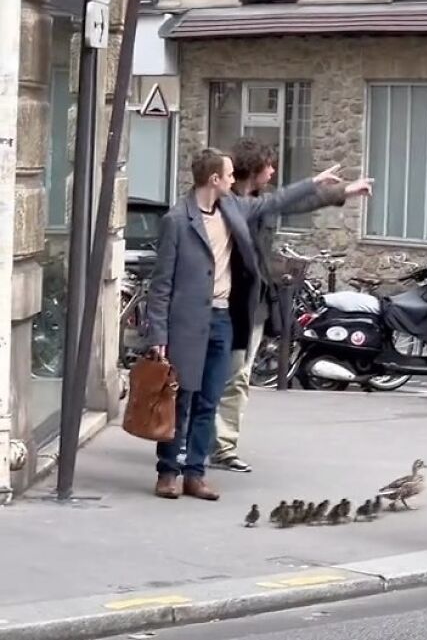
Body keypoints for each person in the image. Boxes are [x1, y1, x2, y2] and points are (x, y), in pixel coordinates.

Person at [145, 147, 372, 501]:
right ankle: (168, 472)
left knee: (209, 399)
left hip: (224, 318)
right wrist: (157, 335)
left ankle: (195, 474)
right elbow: (160, 285)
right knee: (181, 400)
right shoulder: (177, 220)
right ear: (214, 179)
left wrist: (317, 183)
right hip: (189, 322)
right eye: (229, 175)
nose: (234, 180)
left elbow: (280, 201)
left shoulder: (233, 208)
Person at [212, 137, 359, 472]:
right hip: (226, 302)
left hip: (253, 303)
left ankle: (222, 445)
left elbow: (295, 204)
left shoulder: (259, 201)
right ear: (255, 168)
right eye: (269, 165)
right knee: (222, 374)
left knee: (238, 375)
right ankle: (207, 440)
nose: (274, 170)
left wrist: (344, 192)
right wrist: (317, 182)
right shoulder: (230, 204)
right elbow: (285, 199)